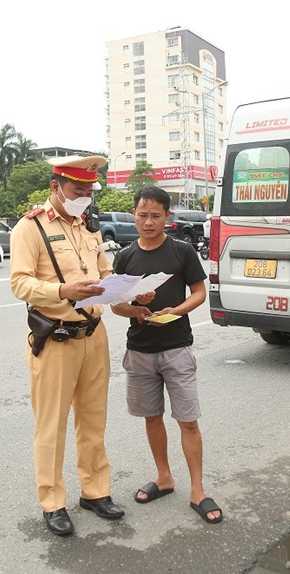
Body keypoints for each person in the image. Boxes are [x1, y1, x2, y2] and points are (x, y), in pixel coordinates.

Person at [9, 155, 124, 536]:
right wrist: (61, 290)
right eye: (79, 191)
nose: (86, 198)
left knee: (94, 421)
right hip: (56, 338)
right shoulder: (30, 228)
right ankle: (52, 501)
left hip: (94, 335)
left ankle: (94, 491)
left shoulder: (88, 228)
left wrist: (130, 293)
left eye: (90, 192)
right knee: (51, 426)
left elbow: (105, 273)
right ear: (56, 187)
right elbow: (20, 284)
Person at [111, 186, 223, 524]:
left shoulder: (182, 251)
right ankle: (164, 477)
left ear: (167, 217)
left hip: (176, 347)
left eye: (155, 216)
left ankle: (198, 490)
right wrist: (136, 309)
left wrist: (176, 310)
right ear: (135, 215)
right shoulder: (125, 256)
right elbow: (116, 305)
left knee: (188, 421)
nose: (148, 222)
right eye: (142, 215)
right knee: (152, 417)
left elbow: (200, 292)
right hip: (140, 350)